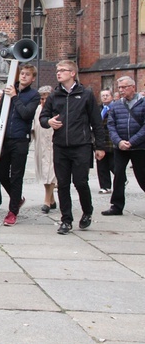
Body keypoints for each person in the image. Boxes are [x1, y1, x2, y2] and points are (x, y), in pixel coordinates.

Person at [39, 60, 106, 235]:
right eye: (57, 70)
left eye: (62, 70)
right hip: (61, 145)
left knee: (80, 182)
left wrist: (100, 146)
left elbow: (96, 122)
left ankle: (87, 210)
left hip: (81, 145)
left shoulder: (86, 94)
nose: (58, 73)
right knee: (63, 184)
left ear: (72, 73)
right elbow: (43, 117)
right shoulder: (54, 95)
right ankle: (66, 220)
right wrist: (48, 121)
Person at [0, 64, 40, 226]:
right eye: (22, 74)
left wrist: (15, 97)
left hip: (20, 139)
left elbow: (26, 114)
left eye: (28, 74)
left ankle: (13, 211)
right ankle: (17, 198)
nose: (24, 76)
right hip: (4, 139)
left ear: (32, 78)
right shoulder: (8, 91)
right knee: (0, 172)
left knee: (17, 175)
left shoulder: (34, 95)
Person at [102, 76, 145, 216]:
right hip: (120, 147)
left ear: (133, 87)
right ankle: (116, 205)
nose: (121, 90)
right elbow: (111, 125)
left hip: (139, 146)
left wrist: (132, 141)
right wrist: (119, 141)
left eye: (124, 87)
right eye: (119, 87)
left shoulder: (143, 103)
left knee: (142, 175)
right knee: (119, 174)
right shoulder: (115, 105)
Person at [32, 86, 57, 213]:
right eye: (41, 99)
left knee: (50, 172)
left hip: (53, 145)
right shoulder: (37, 110)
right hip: (40, 145)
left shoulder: (56, 109)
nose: (43, 101)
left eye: (46, 99)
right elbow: (33, 127)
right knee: (44, 172)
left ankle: (47, 201)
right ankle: (52, 199)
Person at [96, 89, 115, 194]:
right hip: (101, 140)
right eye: (103, 95)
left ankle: (121, 179)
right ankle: (105, 186)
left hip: (112, 139)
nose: (105, 97)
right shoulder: (98, 109)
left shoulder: (115, 107)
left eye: (107, 95)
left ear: (111, 96)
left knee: (113, 163)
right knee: (101, 164)